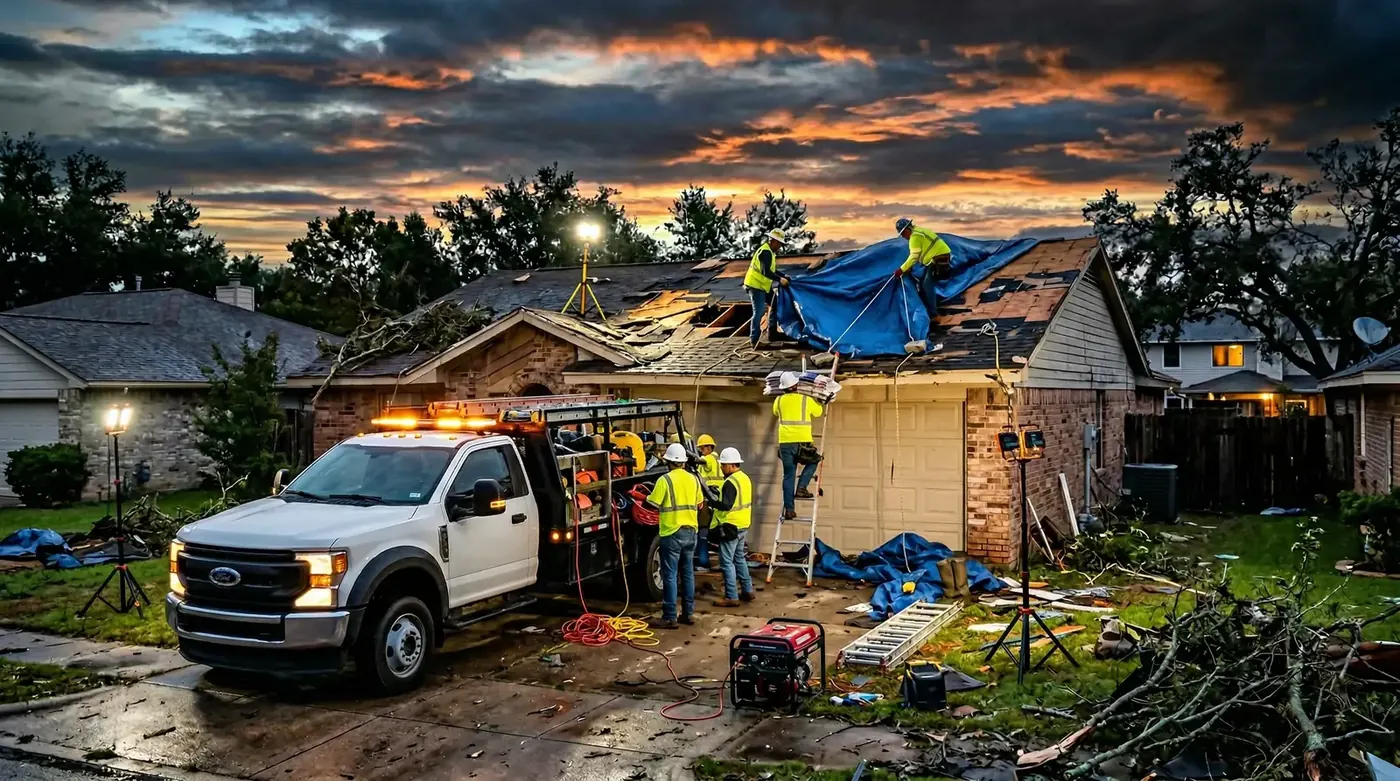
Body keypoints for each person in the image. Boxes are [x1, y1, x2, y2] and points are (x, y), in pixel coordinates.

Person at [645, 443, 703, 629]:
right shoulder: (694, 479)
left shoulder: (665, 480)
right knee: (687, 574)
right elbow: (700, 504)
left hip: (672, 532)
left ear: (669, 462)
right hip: (691, 532)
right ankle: (688, 613)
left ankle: (670, 616)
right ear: (684, 463)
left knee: (669, 575)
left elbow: (652, 503)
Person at [708, 447, 755, 607]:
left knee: (727, 561)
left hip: (730, 527)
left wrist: (713, 502)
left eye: (723, 465)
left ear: (730, 465)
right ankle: (747, 590)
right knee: (739, 558)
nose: (721, 468)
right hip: (742, 525)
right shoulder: (744, 478)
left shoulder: (730, 483)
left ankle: (731, 596)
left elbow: (726, 505)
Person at [772, 372, 822, 520]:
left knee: (788, 476)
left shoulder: (778, 400)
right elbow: (818, 412)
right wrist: (818, 400)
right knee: (814, 461)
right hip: (802, 442)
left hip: (785, 443)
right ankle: (801, 487)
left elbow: (775, 412)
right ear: (795, 385)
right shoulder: (805, 399)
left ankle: (789, 509)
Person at [892, 217, 953, 320]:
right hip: (940, 256)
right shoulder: (919, 231)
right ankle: (929, 307)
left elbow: (914, 256)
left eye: (903, 234)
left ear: (907, 230)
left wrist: (901, 270)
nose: (903, 237)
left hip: (938, 258)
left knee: (927, 284)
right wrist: (909, 267)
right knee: (923, 282)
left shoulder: (915, 237)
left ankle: (933, 314)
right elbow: (921, 252)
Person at [743, 229, 790, 348]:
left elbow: (771, 270)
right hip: (755, 285)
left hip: (763, 286)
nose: (779, 247)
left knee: (775, 304)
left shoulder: (769, 251)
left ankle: (772, 333)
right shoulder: (766, 252)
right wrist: (780, 280)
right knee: (758, 312)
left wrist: (783, 276)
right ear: (773, 241)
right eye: (779, 244)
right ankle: (755, 341)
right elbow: (765, 271)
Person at [694, 434, 723, 571]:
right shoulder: (717, 459)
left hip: (709, 499)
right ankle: (720, 561)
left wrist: (693, 460)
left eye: (703, 447)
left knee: (703, 531)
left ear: (710, 447)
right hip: (716, 499)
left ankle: (703, 562)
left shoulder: (709, 458)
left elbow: (703, 462)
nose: (701, 450)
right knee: (715, 532)